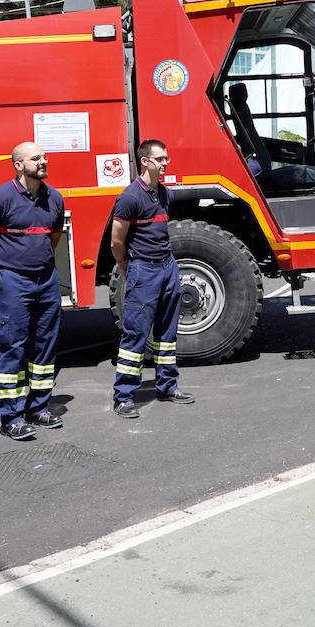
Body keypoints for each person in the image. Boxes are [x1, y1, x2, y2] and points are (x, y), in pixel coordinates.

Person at [0, 141, 67, 441]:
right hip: (13, 281)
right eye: (35, 158)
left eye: (44, 157)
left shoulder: (54, 198)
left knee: (45, 345)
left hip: (46, 280)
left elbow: (53, 237)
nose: (43, 161)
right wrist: (2, 266)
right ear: (18, 165)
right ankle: (11, 417)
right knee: (11, 346)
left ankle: (38, 407)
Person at [110, 139, 195, 419]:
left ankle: (167, 387)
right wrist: (126, 265)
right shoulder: (130, 197)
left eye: (166, 158)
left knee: (167, 334)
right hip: (143, 270)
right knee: (136, 334)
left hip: (167, 267)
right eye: (160, 159)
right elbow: (116, 241)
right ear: (145, 161)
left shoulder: (165, 194)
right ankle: (124, 396)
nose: (165, 163)